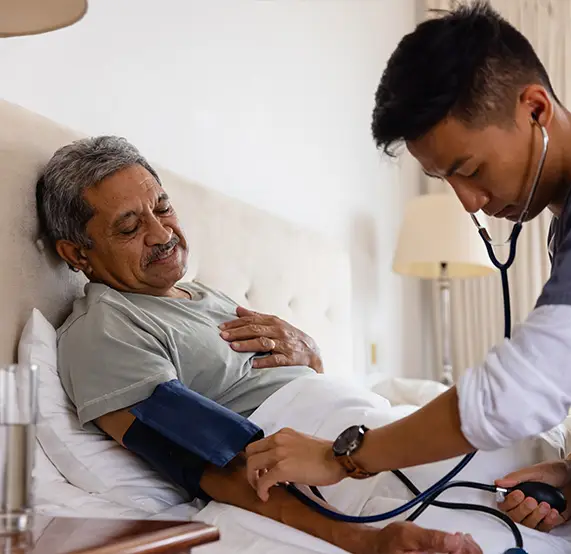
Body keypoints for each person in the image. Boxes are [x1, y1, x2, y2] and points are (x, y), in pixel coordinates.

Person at [243, 2, 571, 553]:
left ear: (534, 107)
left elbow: (521, 389)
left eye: (468, 169)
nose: (470, 201)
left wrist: (342, 456)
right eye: (444, 179)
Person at [37, 136, 481, 554]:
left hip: (373, 432)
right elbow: (213, 462)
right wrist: (366, 541)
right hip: (335, 471)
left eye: (163, 207)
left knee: (528, 464)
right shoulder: (105, 328)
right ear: (77, 254)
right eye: (130, 227)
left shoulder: (206, 295)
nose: (161, 233)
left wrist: (314, 357)